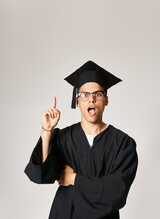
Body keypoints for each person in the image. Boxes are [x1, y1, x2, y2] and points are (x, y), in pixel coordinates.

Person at [24, 60, 138, 219]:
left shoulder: (123, 143)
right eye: (84, 95)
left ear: (106, 100)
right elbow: (40, 175)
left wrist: (73, 178)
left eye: (97, 94)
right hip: (65, 214)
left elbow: (116, 192)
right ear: (77, 101)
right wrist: (47, 130)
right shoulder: (63, 138)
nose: (91, 99)